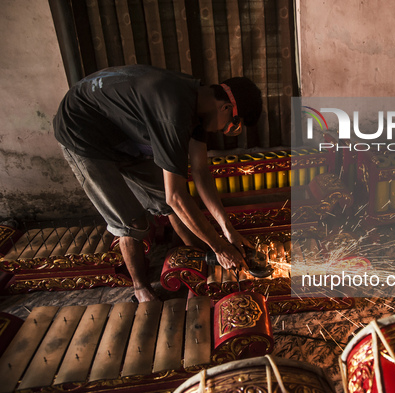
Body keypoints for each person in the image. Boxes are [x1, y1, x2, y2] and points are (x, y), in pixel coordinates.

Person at [53, 64, 263, 302]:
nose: (227, 131)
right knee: (132, 221)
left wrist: (227, 229)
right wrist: (220, 247)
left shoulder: (198, 105)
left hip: (122, 134)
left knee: (165, 198)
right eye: (233, 126)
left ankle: (199, 259)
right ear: (226, 108)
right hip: (82, 133)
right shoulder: (174, 113)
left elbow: (201, 172)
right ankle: (141, 289)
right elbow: (176, 197)